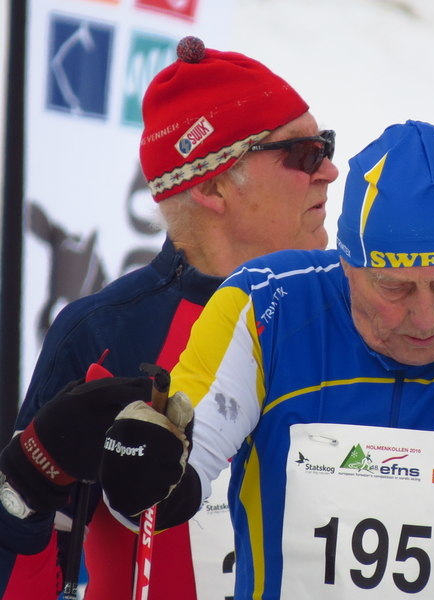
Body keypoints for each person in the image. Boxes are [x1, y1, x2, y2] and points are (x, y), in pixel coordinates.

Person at [97, 119, 434, 600]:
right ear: (345, 264)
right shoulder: (264, 306)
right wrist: (143, 469)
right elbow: (169, 472)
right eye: (394, 287)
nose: (426, 317)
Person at [0, 36, 338, 600]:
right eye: (303, 154)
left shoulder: (367, 310)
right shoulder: (102, 335)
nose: (330, 169)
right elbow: (28, 573)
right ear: (213, 187)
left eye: (326, 145)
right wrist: (30, 474)